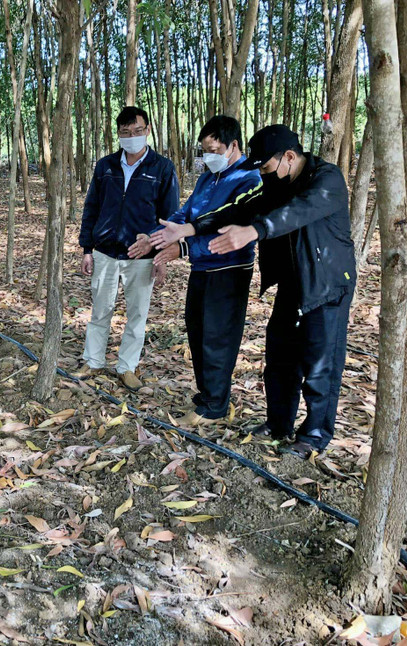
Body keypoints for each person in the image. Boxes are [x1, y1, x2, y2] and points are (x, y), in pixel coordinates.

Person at [150, 124, 355, 459]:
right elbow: (239, 210)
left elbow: (297, 213)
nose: (263, 173)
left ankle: (314, 436)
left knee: (320, 364)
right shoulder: (277, 182)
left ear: (289, 156)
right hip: (292, 284)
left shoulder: (326, 180)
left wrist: (254, 232)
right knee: (279, 359)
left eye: (266, 166)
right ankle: (278, 424)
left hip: (327, 285)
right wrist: (190, 228)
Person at [128, 115, 261, 426]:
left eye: (214, 149)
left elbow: (225, 230)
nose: (209, 156)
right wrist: (154, 236)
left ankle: (215, 406)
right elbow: (186, 214)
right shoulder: (207, 178)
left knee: (218, 335)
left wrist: (183, 248)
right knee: (198, 329)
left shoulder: (248, 180)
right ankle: (207, 393)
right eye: (205, 150)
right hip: (201, 267)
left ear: (234, 146)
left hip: (228, 268)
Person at [78, 106, 179, 391]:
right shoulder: (105, 166)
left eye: (137, 131)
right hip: (105, 251)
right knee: (100, 310)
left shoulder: (162, 168)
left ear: (147, 130)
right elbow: (92, 207)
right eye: (125, 133)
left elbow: (170, 217)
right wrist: (87, 248)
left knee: (137, 314)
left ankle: (127, 367)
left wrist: (160, 254)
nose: (132, 137)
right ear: (118, 135)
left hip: (142, 255)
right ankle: (94, 360)